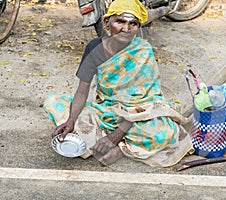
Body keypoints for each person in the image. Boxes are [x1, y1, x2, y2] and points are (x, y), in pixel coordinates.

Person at [43, 0, 193, 167]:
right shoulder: (95, 48)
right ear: (107, 23)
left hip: (136, 117)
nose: (126, 29)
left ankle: (120, 150)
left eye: (133, 24)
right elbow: (82, 91)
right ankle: (124, 145)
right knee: (53, 103)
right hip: (104, 113)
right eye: (120, 21)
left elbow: (147, 103)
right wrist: (71, 120)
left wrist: (116, 136)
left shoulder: (143, 51)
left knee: (165, 133)